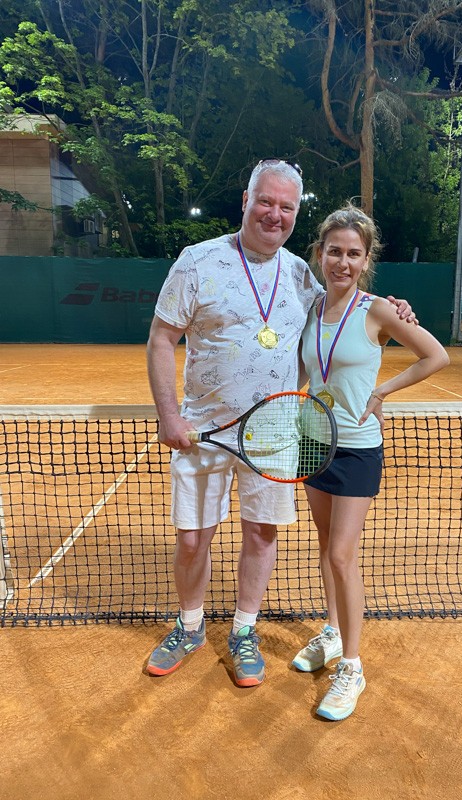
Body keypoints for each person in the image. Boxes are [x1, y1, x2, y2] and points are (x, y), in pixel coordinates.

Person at [145, 160, 416, 686]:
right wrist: (169, 415)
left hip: (273, 432)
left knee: (261, 533)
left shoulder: (299, 274)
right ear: (246, 200)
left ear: (295, 214)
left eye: (286, 206)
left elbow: (346, 308)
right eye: (266, 201)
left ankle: (244, 630)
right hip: (202, 430)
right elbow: (161, 338)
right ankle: (190, 625)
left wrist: (393, 309)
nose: (275, 214)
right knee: (193, 540)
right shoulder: (197, 261)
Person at [292, 203, 449, 720]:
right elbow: (305, 372)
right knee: (324, 546)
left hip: (357, 447)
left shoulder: (379, 310)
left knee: (342, 555)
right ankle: (332, 633)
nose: (343, 261)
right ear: (320, 254)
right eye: (334, 251)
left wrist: (382, 391)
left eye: (354, 254)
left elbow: (436, 356)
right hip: (313, 440)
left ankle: (352, 667)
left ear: (366, 260)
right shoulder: (310, 308)